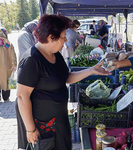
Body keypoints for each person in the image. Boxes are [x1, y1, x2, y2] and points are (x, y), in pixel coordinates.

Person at [15, 14, 111, 150]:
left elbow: (66, 77)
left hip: (59, 120)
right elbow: (21, 96)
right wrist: (30, 129)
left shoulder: (55, 55)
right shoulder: (32, 60)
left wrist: (91, 70)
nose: (66, 40)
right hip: (43, 126)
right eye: (63, 37)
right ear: (50, 37)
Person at [0, 27, 17, 102]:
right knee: (7, 83)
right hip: (8, 67)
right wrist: (14, 65)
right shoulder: (8, 44)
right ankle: (6, 98)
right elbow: (13, 55)